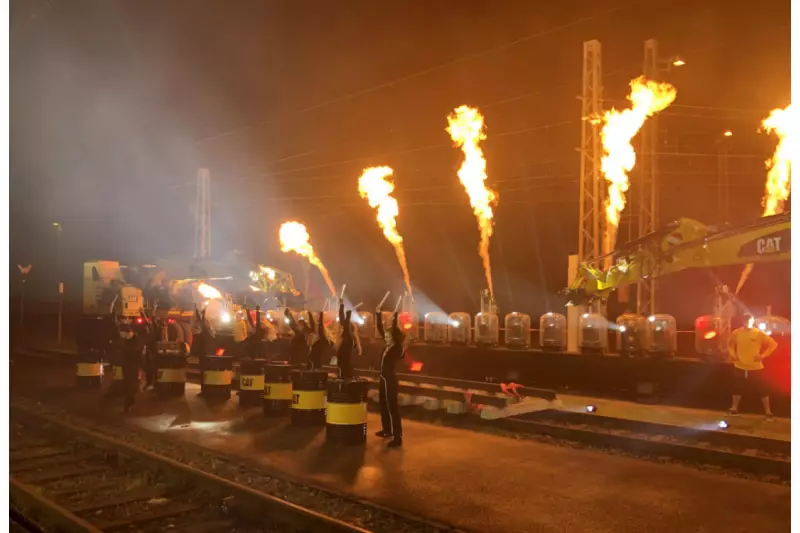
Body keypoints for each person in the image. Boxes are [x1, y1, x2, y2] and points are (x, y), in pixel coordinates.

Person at [727, 314, 778, 419]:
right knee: (737, 388)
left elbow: (773, 344)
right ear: (743, 321)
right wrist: (733, 354)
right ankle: (734, 409)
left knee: (762, 389)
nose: (747, 323)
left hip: (756, 366)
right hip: (740, 365)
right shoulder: (736, 333)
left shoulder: (758, 333)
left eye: (749, 321)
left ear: (752, 321)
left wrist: (763, 355)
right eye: (745, 321)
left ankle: (768, 412)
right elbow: (730, 344)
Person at [375, 306, 404, 447]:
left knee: (392, 406)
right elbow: (380, 329)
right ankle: (386, 430)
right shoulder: (387, 347)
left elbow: (394, 331)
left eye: (388, 336)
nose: (385, 337)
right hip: (383, 378)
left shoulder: (397, 348)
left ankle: (397, 436)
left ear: (393, 336)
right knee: (383, 404)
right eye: (385, 336)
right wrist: (378, 314)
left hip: (389, 379)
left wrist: (394, 317)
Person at [118, 324, 144, 414]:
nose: (121, 335)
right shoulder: (124, 340)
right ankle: (128, 402)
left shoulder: (137, 340)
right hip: (126, 366)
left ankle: (129, 403)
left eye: (122, 333)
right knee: (127, 384)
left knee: (132, 385)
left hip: (134, 366)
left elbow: (134, 351)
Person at [335, 300, 362, 380]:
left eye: (343, 328)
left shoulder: (348, 338)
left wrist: (348, 315)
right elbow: (342, 320)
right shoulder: (347, 339)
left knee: (345, 369)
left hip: (345, 370)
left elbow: (344, 322)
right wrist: (341, 306)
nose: (341, 329)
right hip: (344, 368)